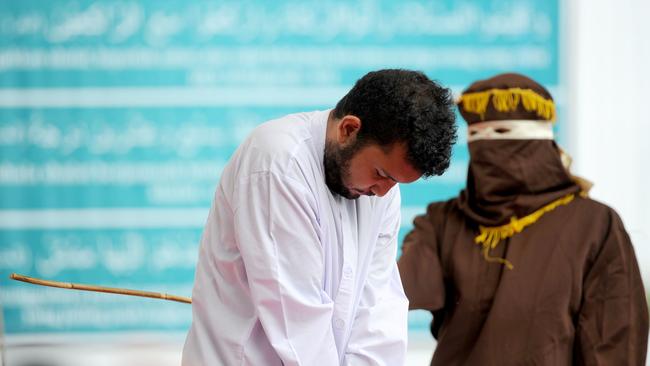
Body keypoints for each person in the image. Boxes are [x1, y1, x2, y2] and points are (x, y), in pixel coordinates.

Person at [182, 69, 457, 365]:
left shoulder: (383, 190)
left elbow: (376, 308)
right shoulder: (279, 164)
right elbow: (298, 325)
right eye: (381, 174)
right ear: (349, 130)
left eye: (396, 183)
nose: (383, 192)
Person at [398, 73, 648, 365]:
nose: (490, 151)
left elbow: (613, 343)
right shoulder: (443, 221)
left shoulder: (594, 226)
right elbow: (389, 294)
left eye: (504, 134)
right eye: (477, 135)